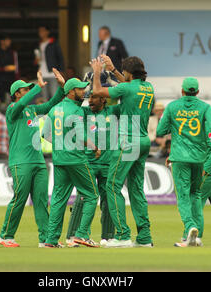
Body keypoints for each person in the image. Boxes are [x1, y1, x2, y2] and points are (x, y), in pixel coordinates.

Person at [0, 69, 66, 248]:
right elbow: (22, 104)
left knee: (42, 201)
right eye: (25, 89)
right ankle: (6, 235)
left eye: (29, 89)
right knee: (19, 198)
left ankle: (45, 239)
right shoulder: (12, 110)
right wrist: (38, 88)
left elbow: (51, 104)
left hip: (38, 161)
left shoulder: (32, 110)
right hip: (21, 162)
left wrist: (61, 87)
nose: (28, 91)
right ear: (17, 94)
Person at [90, 56, 154, 248]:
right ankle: (144, 238)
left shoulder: (126, 88)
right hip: (143, 141)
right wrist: (114, 69)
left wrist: (96, 71)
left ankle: (123, 235)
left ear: (127, 73)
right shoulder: (148, 87)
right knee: (136, 190)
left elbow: (98, 91)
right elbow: (128, 86)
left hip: (128, 142)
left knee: (111, 186)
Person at [157, 77, 211, 247]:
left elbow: (160, 131)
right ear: (198, 92)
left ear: (182, 91)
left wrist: (176, 125)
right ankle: (196, 237)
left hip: (179, 157)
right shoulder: (205, 107)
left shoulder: (172, 106)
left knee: (183, 196)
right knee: (196, 194)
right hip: (199, 158)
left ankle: (190, 227)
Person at [42, 78, 101, 248]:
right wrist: (95, 147)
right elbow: (82, 137)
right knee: (91, 195)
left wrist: (62, 145)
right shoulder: (77, 110)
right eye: (80, 89)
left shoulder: (54, 109)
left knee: (59, 199)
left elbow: (46, 135)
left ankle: (51, 240)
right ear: (70, 91)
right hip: (76, 158)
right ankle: (81, 234)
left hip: (59, 159)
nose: (84, 92)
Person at [65, 87, 121, 247]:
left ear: (103, 99)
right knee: (82, 199)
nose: (89, 100)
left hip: (107, 163)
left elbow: (128, 98)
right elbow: (73, 103)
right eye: (89, 98)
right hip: (87, 163)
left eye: (94, 98)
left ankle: (108, 236)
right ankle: (72, 236)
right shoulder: (84, 112)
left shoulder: (113, 111)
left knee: (109, 200)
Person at [35, 25, 65, 99]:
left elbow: (60, 57)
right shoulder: (39, 44)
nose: (40, 33)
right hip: (42, 73)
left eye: (42, 30)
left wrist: (61, 71)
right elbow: (37, 59)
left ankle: (55, 110)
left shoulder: (53, 43)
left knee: (54, 95)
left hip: (52, 73)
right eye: (39, 31)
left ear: (47, 32)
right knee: (44, 96)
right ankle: (46, 111)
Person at [0, 35, 19, 103]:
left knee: (11, 98)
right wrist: (3, 69)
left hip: (11, 80)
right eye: (7, 40)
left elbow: (16, 68)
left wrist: (17, 81)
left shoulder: (13, 52)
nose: (9, 42)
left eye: (10, 40)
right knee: (0, 99)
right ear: (2, 41)